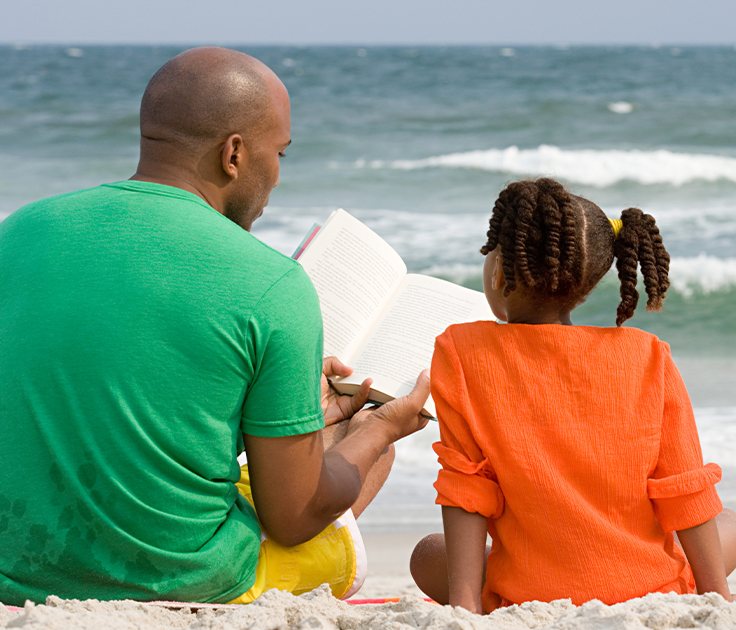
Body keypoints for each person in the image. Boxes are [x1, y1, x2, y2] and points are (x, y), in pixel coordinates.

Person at [0, 47, 430, 605]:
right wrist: (380, 430)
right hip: (182, 580)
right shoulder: (272, 283)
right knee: (362, 455)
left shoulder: (20, 232)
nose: (277, 175)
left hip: (18, 569)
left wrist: (277, 392)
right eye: (278, 153)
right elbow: (295, 516)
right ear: (233, 154)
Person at [407, 178, 736, 613]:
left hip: (528, 593)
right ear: (589, 284)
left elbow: (467, 488)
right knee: (733, 524)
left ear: (498, 272)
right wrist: (715, 596)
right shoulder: (647, 354)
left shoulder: (460, 352)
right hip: (648, 590)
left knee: (425, 554)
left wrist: (465, 605)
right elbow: (683, 489)